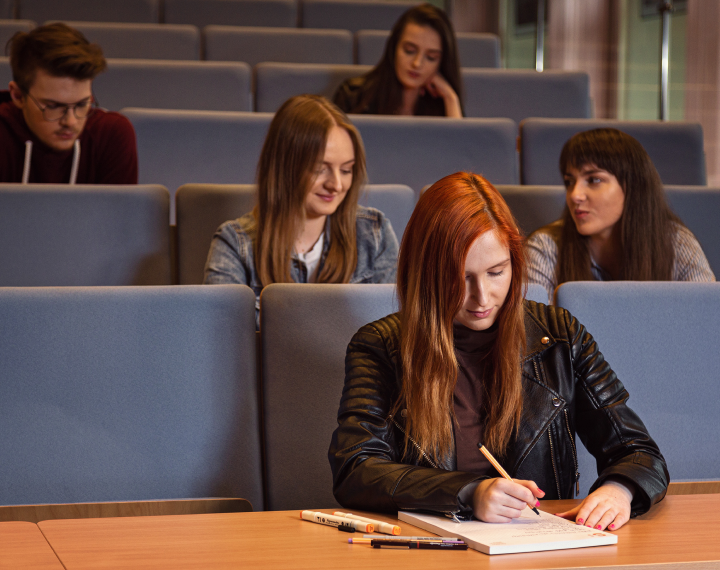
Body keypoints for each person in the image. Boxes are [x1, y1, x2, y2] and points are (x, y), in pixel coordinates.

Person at [329, 172, 668, 530]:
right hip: (431, 550)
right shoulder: (380, 346)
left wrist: (620, 489)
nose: (482, 298)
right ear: (427, 274)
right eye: (460, 278)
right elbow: (356, 469)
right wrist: (469, 493)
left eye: (496, 272)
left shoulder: (560, 336)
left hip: (540, 548)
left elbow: (639, 452)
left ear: (514, 263)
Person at [204, 95, 399, 322]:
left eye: (346, 170)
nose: (336, 184)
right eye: (320, 169)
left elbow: (394, 334)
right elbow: (223, 341)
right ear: (285, 167)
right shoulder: (234, 243)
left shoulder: (375, 233)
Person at [526, 128, 715, 304]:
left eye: (594, 180)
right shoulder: (546, 247)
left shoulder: (676, 243)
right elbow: (533, 331)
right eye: (569, 182)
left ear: (633, 186)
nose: (575, 195)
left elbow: (707, 321)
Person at [0, 23, 137, 184]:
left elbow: (118, 210)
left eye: (81, 105)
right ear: (18, 96)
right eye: (53, 106)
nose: (70, 122)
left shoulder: (111, 135)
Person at [333, 3, 463, 118]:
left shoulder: (443, 103)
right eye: (409, 50)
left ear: (441, 62)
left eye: (431, 57)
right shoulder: (352, 97)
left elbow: (460, 145)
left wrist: (451, 99)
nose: (416, 63)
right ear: (394, 47)